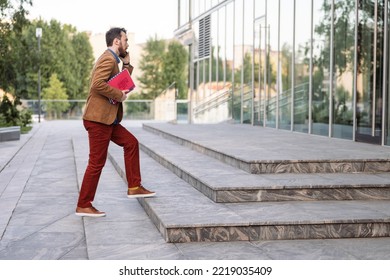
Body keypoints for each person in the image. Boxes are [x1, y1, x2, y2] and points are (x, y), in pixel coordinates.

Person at [75, 27, 155, 218]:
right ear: (117, 41)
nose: (128, 44)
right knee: (96, 163)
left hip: (107, 119)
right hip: (98, 120)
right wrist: (119, 95)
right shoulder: (108, 58)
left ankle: (134, 186)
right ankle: (83, 205)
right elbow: (97, 84)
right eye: (126, 40)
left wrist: (127, 64)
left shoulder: (114, 59)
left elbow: (121, 82)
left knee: (131, 143)